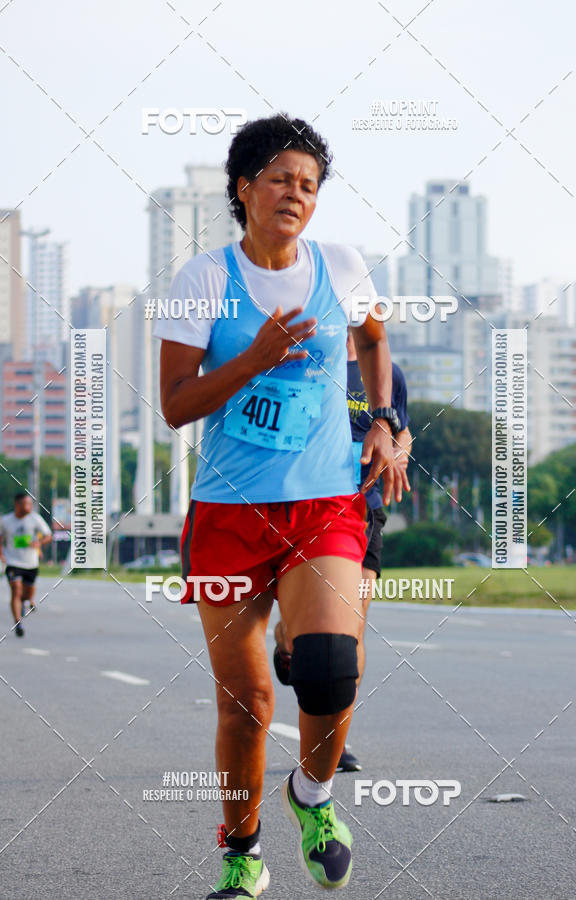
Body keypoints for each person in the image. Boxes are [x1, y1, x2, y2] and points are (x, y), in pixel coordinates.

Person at [154, 113, 402, 900]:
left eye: (309, 184)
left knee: (330, 668)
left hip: (324, 501)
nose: (297, 193)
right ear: (244, 189)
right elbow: (175, 404)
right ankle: (242, 852)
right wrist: (255, 357)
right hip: (228, 513)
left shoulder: (340, 265)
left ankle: (315, 797)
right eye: (281, 179)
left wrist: (385, 421)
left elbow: (372, 340)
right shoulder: (204, 280)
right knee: (248, 703)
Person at [272, 329, 412, 772]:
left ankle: (336, 739)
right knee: (304, 634)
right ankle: (287, 637)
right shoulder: (305, 363)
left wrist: (396, 453)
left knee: (351, 631)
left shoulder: (387, 374)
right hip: (306, 506)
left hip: (363, 510)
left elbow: (402, 433)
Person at [0, 492, 52, 637]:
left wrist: (39, 543)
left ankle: (27, 601)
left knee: (27, 595)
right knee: (16, 590)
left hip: (31, 563)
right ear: (17, 504)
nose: (29, 507)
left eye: (30, 504)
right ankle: (18, 622)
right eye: (25, 504)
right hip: (13, 561)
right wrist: (1, 554)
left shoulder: (35, 519)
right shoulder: (6, 520)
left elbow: (48, 535)